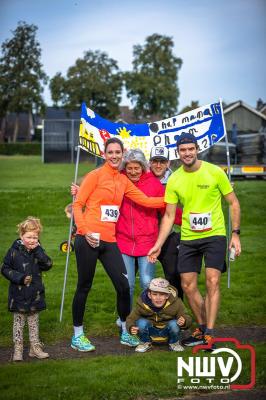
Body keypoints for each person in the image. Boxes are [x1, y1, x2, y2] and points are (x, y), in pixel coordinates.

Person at [148, 132, 241, 348]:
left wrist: (235, 233)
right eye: (183, 150)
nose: (187, 153)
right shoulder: (175, 179)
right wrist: (158, 244)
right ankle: (201, 327)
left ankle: (209, 332)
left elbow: (233, 203)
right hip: (189, 237)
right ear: (178, 153)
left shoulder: (215, 172)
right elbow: (170, 216)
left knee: (212, 281)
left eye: (191, 149)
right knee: (187, 286)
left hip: (214, 235)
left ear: (197, 149)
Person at [71, 137, 165, 352]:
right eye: (110, 152)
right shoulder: (95, 175)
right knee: (84, 286)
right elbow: (78, 204)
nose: (114, 156)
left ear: (122, 154)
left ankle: (125, 331)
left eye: (117, 152)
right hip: (88, 239)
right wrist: (84, 231)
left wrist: (175, 198)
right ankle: (77, 335)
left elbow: (146, 201)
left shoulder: (123, 181)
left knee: (123, 287)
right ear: (105, 154)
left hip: (110, 240)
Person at [116, 149, 165, 308]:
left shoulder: (154, 183)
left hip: (148, 242)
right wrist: (79, 191)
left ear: (143, 167)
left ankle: (149, 317)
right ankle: (126, 320)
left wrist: (185, 218)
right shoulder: (119, 180)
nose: (133, 172)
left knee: (147, 282)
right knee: (127, 284)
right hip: (123, 241)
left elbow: (167, 209)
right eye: (129, 168)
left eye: (137, 168)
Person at [1, 217, 52, 361]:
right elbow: (4, 268)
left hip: (35, 293)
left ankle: (34, 348)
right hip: (18, 294)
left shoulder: (38, 250)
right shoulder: (13, 251)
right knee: (18, 322)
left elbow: (48, 264)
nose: (31, 240)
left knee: (34, 322)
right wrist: (20, 278)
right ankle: (18, 349)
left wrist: (38, 251)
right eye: (28, 237)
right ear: (21, 236)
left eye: (35, 237)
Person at [149, 146, 183, 299]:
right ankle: (140, 312)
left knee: (175, 275)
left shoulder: (177, 180)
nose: (158, 165)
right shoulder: (142, 179)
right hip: (146, 236)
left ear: (168, 162)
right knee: (140, 278)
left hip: (168, 235)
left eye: (162, 161)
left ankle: (177, 312)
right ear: (149, 162)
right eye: (155, 161)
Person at [126, 277, 192, 353]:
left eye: (162, 294)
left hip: (167, 331)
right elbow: (130, 318)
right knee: (141, 322)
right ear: (149, 295)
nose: (158, 298)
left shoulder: (176, 303)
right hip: (150, 331)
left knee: (174, 323)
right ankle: (145, 342)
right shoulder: (141, 303)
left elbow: (187, 316)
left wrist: (184, 321)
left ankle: (174, 343)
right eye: (154, 294)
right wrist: (131, 327)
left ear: (167, 295)